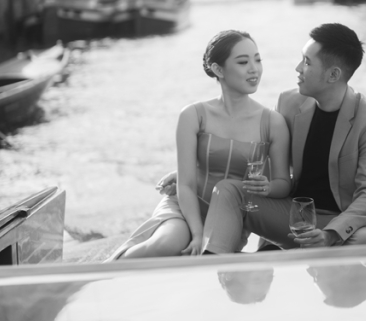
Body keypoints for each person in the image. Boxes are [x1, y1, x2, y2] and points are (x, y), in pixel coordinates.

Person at [201, 23, 366, 253]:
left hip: (342, 220)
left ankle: (293, 253)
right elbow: (254, 155)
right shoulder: (288, 103)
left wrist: (330, 234)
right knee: (228, 190)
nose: (298, 68)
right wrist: (199, 169)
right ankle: (213, 262)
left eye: (307, 62)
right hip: (294, 214)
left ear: (333, 75)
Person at [107, 30, 291, 260]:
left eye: (258, 59)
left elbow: (284, 183)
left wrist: (268, 188)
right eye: (243, 62)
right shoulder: (193, 115)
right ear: (218, 70)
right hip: (186, 207)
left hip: (231, 216)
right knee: (167, 244)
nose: (254, 69)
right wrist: (196, 234)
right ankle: (107, 269)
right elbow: (185, 184)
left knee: (201, 254)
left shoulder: (273, 122)